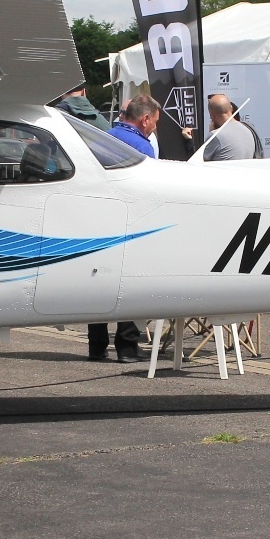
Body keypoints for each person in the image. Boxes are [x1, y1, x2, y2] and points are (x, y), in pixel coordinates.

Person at [88, 95, 161, 361]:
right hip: (130, 223)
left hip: (98, 221)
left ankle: (96, 347)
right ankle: (127, 347)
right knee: (129, 286)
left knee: (97, 284)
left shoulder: (102, 137)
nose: (154, 126)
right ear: (144, 119)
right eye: (154, 121)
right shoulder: (142, 147)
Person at [199, 94, 263, 161]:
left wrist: (212, 133)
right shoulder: (248, 129)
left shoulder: (215, 136)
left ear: (212, 115)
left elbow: (200, 163)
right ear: (231, 108)